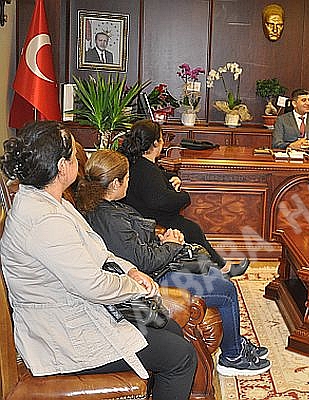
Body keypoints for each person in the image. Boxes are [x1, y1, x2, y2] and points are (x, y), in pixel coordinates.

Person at [0, 121, 196, 399]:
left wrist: (130, 271)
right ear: (62, 167)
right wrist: (136, 288)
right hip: (61, 336)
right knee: (181, 356)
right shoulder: (44, 221)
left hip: (82, 309)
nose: (78, 161)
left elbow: (98, 251)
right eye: (73, 155)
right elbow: (93, 286)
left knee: (169, 326)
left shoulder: (49, 200)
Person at [74, 149, 272, 376]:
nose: (129, 183)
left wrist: (162, 240)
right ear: (115, 183)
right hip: (153, 279)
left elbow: (133, 247)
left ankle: (234, 342)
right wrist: (171, 245)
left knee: (213, 273)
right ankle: (232, 357)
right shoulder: (109, 217)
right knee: (226, 289)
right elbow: (142, 262)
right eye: (127, 178)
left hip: (156, 268)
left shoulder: (105, 206)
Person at [119, 120, 249, 278]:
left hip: (140, 213)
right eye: (162, 138)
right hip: (152, 219)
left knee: (192, 229)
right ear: (156, 143)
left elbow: (158, 177)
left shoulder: (135, 162)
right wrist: (184, 197)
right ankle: (222, 268)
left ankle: (220, 266)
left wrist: (172, 178)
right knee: (192, 229)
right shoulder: (147, 170)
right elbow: (161, 200)